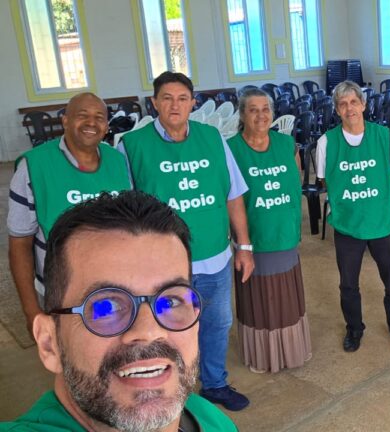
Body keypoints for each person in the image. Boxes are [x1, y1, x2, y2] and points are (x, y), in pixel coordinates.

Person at [0, 191, 237, 431]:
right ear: (50, 342)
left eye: (171, 301)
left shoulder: (211, 419)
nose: (149, 331)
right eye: (106, 307)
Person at [120, 72, 254, 411]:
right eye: (166, 98)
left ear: (193, 102)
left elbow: (233, 195)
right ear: (154, 103)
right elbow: (123, 211)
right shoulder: (132, 146)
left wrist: (245, 247)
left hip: (215, 258)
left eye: (182, 98)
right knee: (164, 332)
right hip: (162, 267)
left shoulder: (213, 139)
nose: (174, 105)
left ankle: (214, 384)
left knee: (217, 323)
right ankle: (170, 393)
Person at [7, 92, 131, 337]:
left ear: (107, 125)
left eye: (99, 117)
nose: (91, 123)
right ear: (65, 120)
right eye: (82, 115)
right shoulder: (34, 166)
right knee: (69, 364)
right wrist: (32, 312)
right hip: (62, 294)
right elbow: (19, 245)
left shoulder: (117, 161)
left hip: (115, 289)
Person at [316, 80, 390, 353]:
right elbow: (323, 180)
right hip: (348, 225)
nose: (349, 108)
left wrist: (378, 200)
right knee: (348, 284)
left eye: (354, 102)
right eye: (343, 104)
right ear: (336, 109)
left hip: (382, 223)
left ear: (364, 104)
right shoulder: (327, 142)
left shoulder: (384, 137)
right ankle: (354, 329)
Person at [227, 89, 312, 373]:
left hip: (285, 235)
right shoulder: (231, 149)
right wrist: (241, 243)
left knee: (286, 296)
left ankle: (291, 352)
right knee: (260, 300)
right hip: (253, 240)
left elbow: (296, 181)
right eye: (253, 109)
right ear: (242, 114)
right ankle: (264, 356)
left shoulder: (287, 144)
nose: (261, 115)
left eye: (265, 109)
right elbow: (228, 197)